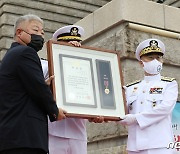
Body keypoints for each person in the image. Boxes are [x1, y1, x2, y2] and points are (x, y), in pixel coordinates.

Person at [0, 14, 66, 154]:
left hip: (14, 137)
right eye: (35, 30)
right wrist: (54, 111)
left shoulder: (12, 54)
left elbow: (29, 87)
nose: (40, 35)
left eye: (42, 32)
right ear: (19, 32)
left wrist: (42, 85)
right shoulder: (26, 52)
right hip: (24, 138)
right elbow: (38, 89)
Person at [41, 25, 103, 154]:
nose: (74, 45)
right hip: (52, 131)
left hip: (77, 132)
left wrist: (98, 113)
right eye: (67, 44)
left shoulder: (88, 69)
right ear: (56, 46)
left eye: (77, 43)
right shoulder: (46, 67)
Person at [119, 38, 178, 154]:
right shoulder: (130, 88)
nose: (155, 61)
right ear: (141, 62)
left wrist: (136, 118)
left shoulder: (169, 84)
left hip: (160, 145)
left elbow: (165, 108)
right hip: (135, 146)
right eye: (150, 58)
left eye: (158, 57)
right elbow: (122, 114)